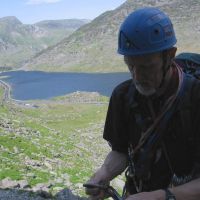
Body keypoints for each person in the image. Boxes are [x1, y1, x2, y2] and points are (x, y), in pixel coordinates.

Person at [85, 7, 200, 200]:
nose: (137, 77)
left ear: (170, 55)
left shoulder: (195, 97)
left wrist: (160, 197)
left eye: (147, 67)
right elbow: (121, 151)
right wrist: (103, 175)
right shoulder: (122, 96)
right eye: (130, 65)